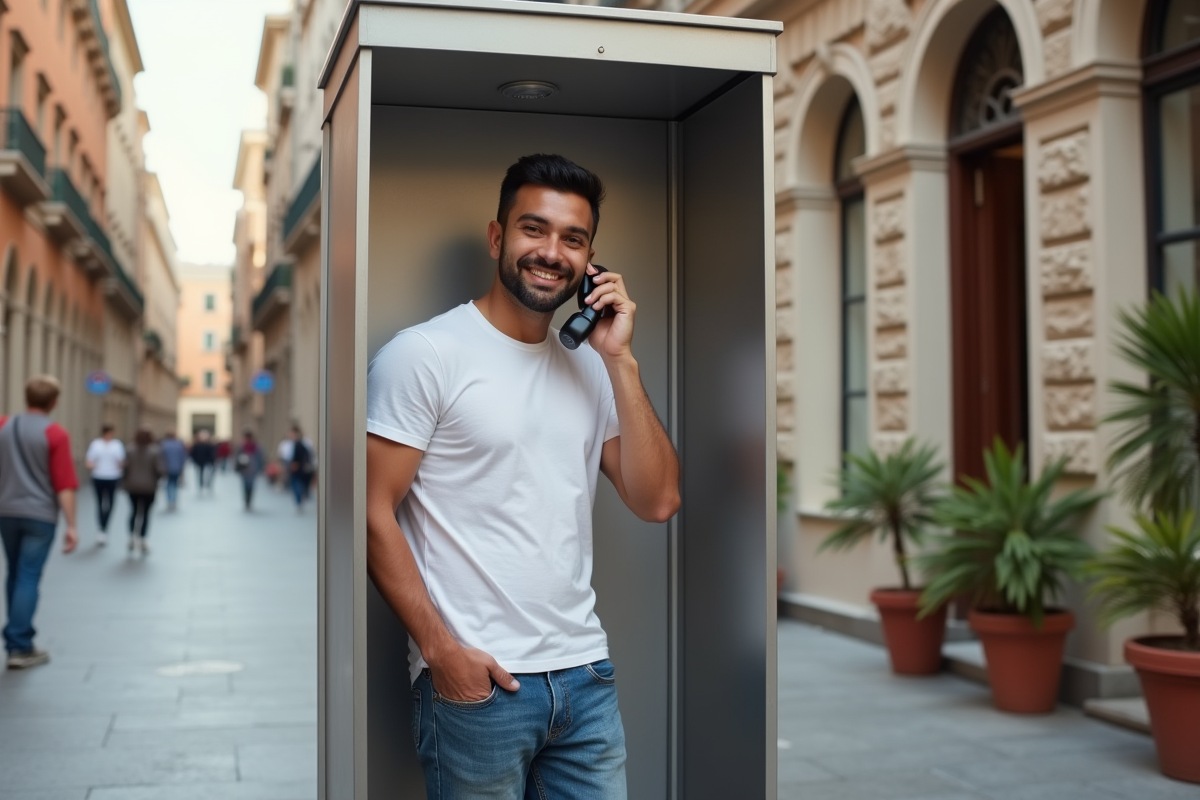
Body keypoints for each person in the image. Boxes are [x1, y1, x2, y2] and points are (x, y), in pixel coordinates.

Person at [366, 154, 680, 798]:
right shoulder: (424, 355)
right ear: (497, 237)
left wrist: (620, 361)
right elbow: (369, 509)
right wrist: (441, 652)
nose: (551, 251)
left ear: (590, 259)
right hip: (481, 686)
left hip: (585, 678)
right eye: (533, 229)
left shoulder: (593, 368)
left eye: (573, 238)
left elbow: (659, 500)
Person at [0, 375, 79, 669]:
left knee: (14, 574)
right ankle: (20, 645)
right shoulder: (55, 434)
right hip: (39, 515)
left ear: (26, 398)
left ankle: (16, 639)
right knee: (29, 576)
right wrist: (72, 525)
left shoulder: (3, 425)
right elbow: (64, 484)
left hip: (6, 512)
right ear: (54, 402)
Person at [123, 429, 165, 555]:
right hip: (149, 487)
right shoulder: (155, 451)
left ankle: (131, 537)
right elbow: (159, 469)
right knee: (145, 513)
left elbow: (125, 468)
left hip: (133, 486)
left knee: (134, 511)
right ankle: (142, 539)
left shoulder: (130, 450)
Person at [85, 424, 124, 545]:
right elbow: (89, 461)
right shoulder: (96, 444)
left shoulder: (117, 445)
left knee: (110, 503)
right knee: (100, 502)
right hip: (99, 476)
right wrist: (93, 466)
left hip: (113, 476)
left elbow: (122, 461)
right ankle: (101, 528)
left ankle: (105, 527)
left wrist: (119, 465)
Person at [286, 425, 315, 512]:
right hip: (298, 467)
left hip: (298, 468)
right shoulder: (293, 443)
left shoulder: (299, 443)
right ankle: (300, 500)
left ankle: (299, 501)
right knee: (297, 484)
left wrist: (297, 464)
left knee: (297, 484)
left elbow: (305, 455)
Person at [235, 429, 264, 511]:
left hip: (252, 469)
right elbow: (237, 457)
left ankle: (249, 501)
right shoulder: (241, 446)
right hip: (244, 469)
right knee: (245, 485)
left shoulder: (256, 447)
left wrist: (260, 468)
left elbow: (260, 458)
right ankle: (246, 501)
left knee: (251, 485)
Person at [159, 430, 188, 511]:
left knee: (168, 485)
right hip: (176, 468)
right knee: (175, 485)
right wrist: (182, 468)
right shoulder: (179, 445)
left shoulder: (163, 445)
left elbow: (160, 458)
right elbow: (183, 458)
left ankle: (169, 501)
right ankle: (174, 501)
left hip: (167, 468)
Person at [189, 429, 216, 493]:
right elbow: (193, 454)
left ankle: (207, 486)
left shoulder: (208, 446)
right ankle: (201, 487)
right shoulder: (197, 446)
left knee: (207, 476)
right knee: (200, 476)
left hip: (206, 463)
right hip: (200, 463)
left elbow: (212, 455)